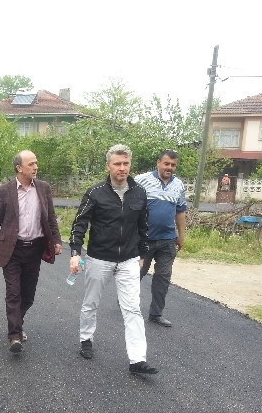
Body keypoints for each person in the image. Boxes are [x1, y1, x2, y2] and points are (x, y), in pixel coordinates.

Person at [69, 144, 158, 375]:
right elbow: (80, 224)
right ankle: (86, 338)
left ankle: (137, 359)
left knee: (133, 308)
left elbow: (144, 226)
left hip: (129, 259)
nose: (122, 168)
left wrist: (143, 254)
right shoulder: (95, 192)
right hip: (99, 257)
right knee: (91, 302)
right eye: (117, 164)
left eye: (126, 163)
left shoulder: (139, 192)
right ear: (108, 166)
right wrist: (75, 253)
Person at [0, 150, 62, 353]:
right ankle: (14, 335)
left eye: (36, 163)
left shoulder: (44, 188)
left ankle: (17, 323)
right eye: (31, 164)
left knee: (28, 295)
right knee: (13, 293)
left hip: (34, 249)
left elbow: (51, 218)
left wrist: (56, 240)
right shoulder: (4, 191)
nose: (36, 167)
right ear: (19, 168)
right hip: (12, 249)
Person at [135, 149, 187, 328]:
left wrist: (181, 235)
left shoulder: (178, 185)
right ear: (158, 163)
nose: (169, 167)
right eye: (166, 164)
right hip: (144, 240)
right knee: (137, 273)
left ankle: (156, 314)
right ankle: (127, 303)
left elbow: (180, 211)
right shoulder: (141, 180)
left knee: (163, 277)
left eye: (173, 165)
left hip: (168, 240)